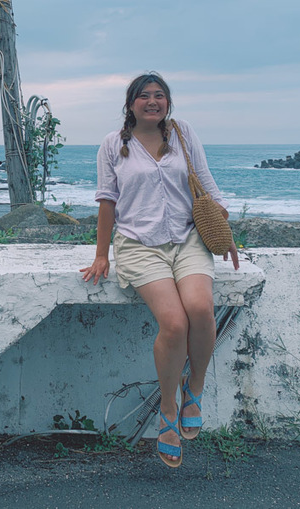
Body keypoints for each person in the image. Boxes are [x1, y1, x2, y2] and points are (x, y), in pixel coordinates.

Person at [80, 72, 240, 468]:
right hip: (139, 245)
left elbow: (206, 183)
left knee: (201, 309)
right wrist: (102, 254)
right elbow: (107, 201)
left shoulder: (182, 133)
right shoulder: (113, 145)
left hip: (188, 240)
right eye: (144, 96)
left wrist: (226, 234)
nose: (152, 102)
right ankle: (168, 410)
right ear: (130, 103)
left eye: (160, 96)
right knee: (174, 323)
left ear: (168, 102)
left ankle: (194, 389)